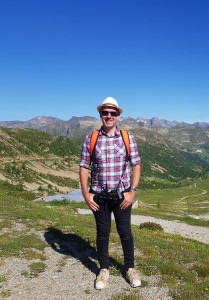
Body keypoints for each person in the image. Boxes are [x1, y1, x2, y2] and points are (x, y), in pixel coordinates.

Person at [79, 97, 141, 290]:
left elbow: (136, 164)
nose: (109, 116)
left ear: (118, 115)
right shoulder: (92, 137)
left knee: (125, 233)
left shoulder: (127, 137)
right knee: (102, 233)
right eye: (105, 112)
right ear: (100, 115)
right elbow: (84, 166)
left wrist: (133, 191)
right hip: (98, 194)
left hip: (122, 195)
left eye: (113, 113)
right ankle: (104, 269)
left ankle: (130, 269)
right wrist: (85, 194)